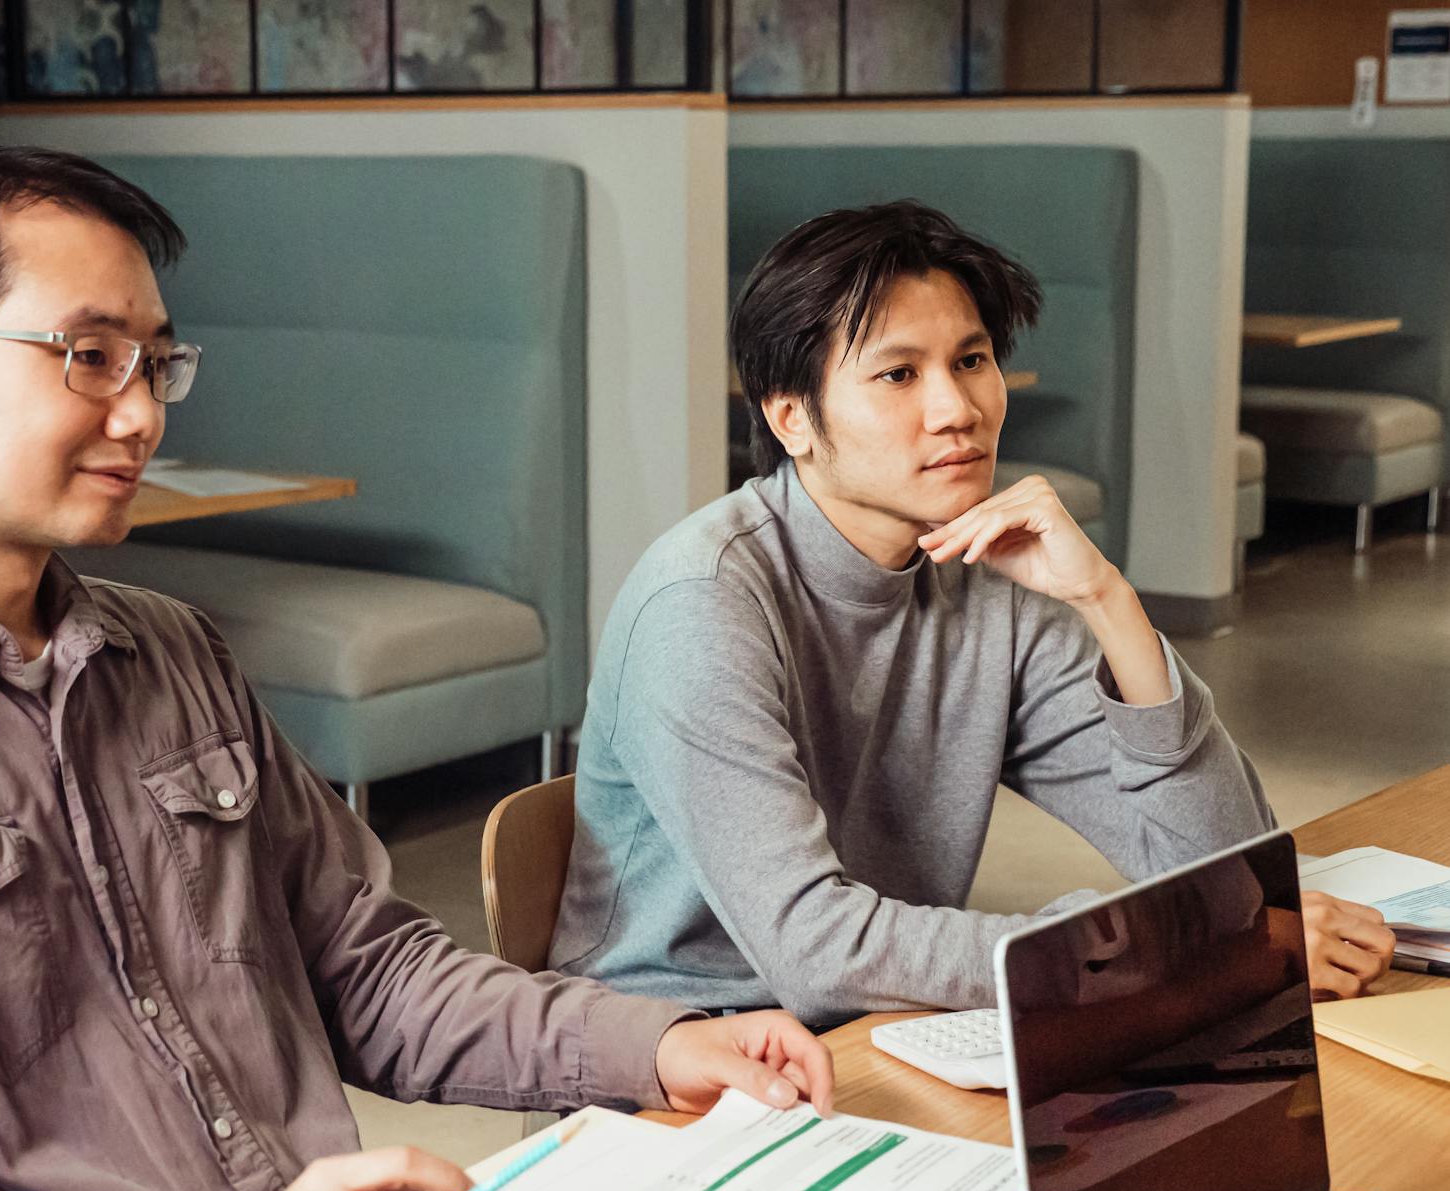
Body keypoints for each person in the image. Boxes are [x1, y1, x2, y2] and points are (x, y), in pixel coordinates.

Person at [0, 146, 833, 1191]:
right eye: (88, 358)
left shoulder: (176, 653)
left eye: (156, 363)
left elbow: (372, 970)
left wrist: (651, 1045)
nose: (142, 411)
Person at [547, 200, 1395, 1027]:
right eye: (897, 374)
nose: (957, 409)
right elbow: (818, 953)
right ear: (789, 417)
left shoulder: (982, 576)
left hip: (882, 1027)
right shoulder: (702, 600)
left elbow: (1230, 879)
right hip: (676, 1056)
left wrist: (1107, 601)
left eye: (972, 359)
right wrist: (1172, 954)